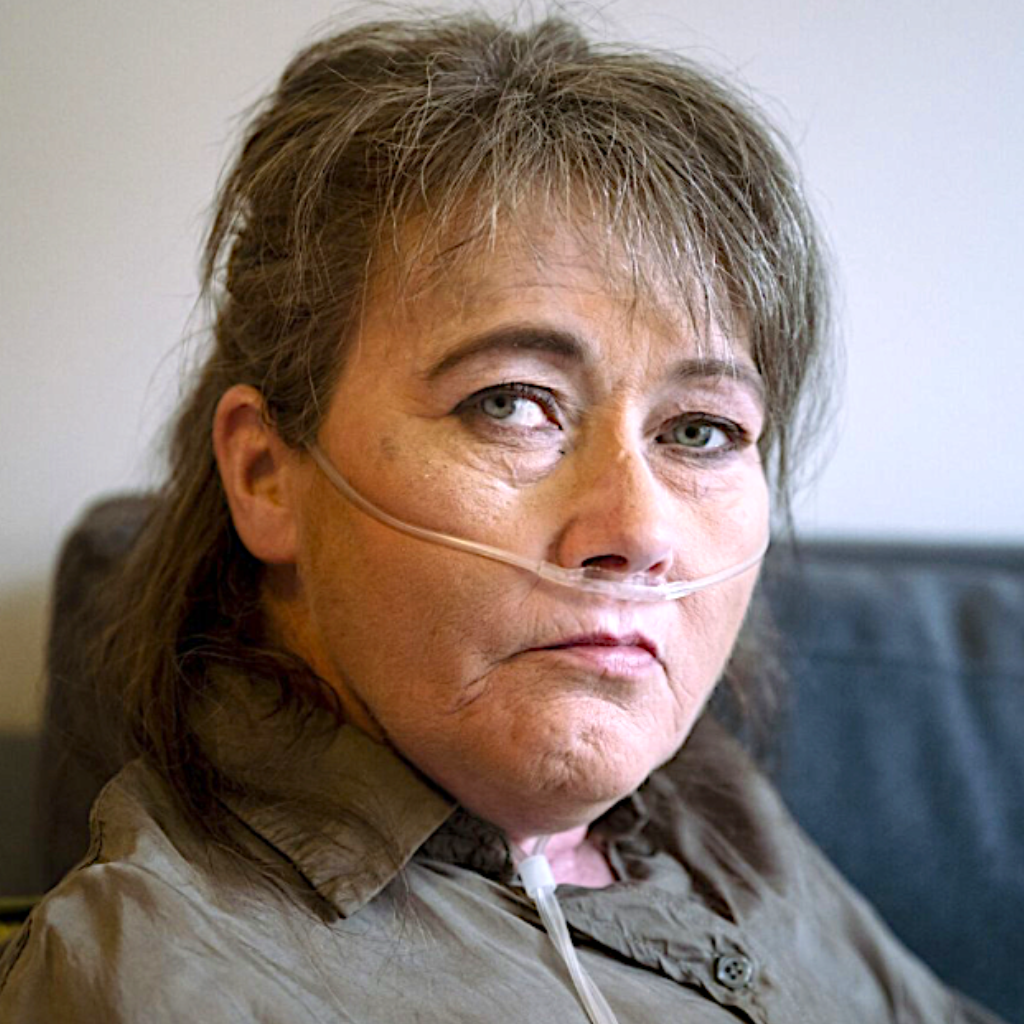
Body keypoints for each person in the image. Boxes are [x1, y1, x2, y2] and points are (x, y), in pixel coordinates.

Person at [0, 12, 1006, 1023]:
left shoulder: (709, 806)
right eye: (511, 404)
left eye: (700, 430)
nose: (640, 532)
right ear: (267, 475)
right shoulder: (161, 980)